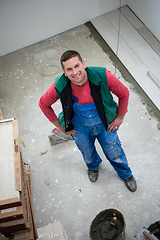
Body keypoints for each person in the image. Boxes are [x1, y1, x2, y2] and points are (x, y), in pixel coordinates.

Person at [39, 50, 137, 192]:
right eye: (69, 69)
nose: (75, 72)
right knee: (87, 151)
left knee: (114, 150)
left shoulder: (103, 76)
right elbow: (43, 104)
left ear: (83, 64)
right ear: (64, 72)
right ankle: (93, 168)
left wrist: (120, 117)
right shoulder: (60, 85)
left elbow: (124, 93)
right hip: (79, 127)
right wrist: (59, 126)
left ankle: (126, 175)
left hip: (105, 124)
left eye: (77, 66)